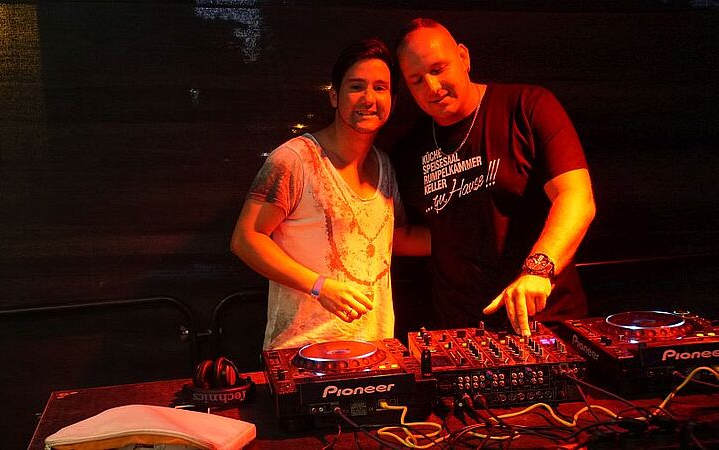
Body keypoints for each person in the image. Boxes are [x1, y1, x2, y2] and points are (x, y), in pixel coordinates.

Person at [391, 18, 596, 336]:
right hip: (460, 331)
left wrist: (538, 270)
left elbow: (576, 197)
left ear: (463, 57)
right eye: (416, 80)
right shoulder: (410, 149)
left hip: (545, 321)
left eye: (438, 69)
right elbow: (418, 236)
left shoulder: (527, 105)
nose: (432, 87)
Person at [231, 39, 425, 350]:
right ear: (334, 96)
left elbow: (397, 238)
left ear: (393, 99)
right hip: (302, 353)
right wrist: (319, 286)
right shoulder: (295, 159)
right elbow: (246, 238)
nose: (369, 98)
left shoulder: (384, 165)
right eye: (356, 87)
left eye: (380, 88)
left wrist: (483, 240)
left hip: (375, 350)